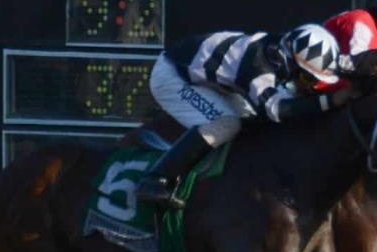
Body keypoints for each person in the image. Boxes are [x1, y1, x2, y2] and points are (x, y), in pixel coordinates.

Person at [136, 24, 341, 209]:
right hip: (173, 76)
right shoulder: (259, 67)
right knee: (227, 124)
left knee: (251, 121)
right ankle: (156, 179)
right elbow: (278, 111)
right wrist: (331, 101)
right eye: (307, 78)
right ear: (291, 62)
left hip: (212, 81)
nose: (309, 86)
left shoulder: (279, 50)